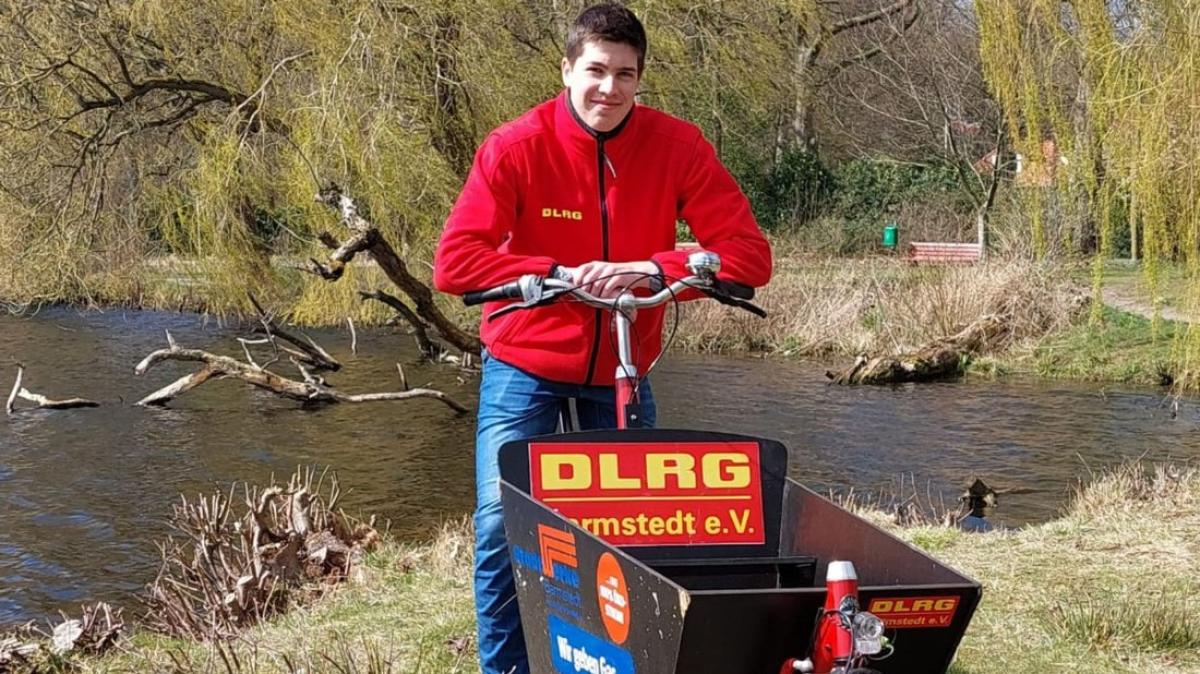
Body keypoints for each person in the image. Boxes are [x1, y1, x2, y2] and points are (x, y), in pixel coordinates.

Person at [432, 4, 771, 672]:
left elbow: (747, 256)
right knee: (504, 524)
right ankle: (504, 667)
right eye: (595, 70)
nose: (608, 89)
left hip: (621, 363)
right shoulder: (516, 145)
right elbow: (457, 262)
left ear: (641, 78)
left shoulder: (677, 147)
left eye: (625, 74)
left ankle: (618, 659)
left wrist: (653, 269)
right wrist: (554, 274)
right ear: (567, 69)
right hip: (524, 359)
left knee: (636, 532)